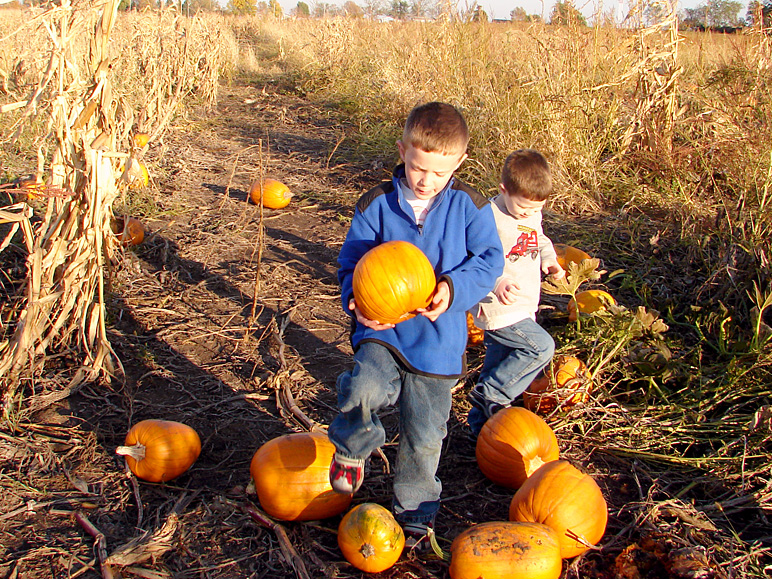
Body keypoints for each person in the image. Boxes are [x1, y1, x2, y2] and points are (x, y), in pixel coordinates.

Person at [328, 102, 504, 547]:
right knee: (364, 386)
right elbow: (351, 262)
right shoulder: (377, 205)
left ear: (459, 163)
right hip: (382, 329)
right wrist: (355, 299)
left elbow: (488, 262)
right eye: (417, 167)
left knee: (425, 435)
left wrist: (452, 288)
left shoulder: (469, 208)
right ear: (403, 149)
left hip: (437, 342)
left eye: (437, 173)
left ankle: (415, 509)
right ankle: (352, 450)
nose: (424, 180)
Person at [467, 149, 565, 437]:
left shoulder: (531, 213)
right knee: (541, 348)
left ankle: (479, 431)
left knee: (497, 364)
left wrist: (549, 259)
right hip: (498, 305)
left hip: (523, 306)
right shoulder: (490, 216)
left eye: (538, 209)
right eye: (524, 208)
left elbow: (539, 236)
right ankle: (492, 394)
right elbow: (475, 256)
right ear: (504, 190)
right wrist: (497, 282)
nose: (531, 214)